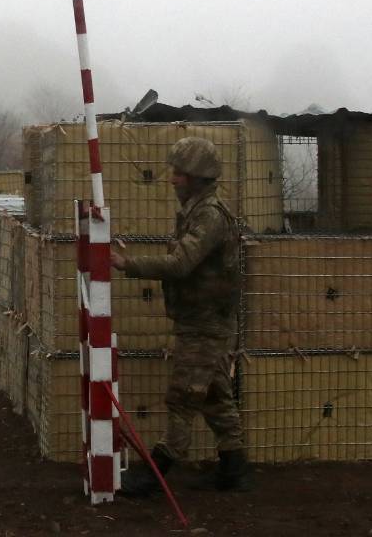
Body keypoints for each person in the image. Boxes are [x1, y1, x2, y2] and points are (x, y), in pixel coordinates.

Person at [110, 135, 249, 495]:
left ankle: (157, 472)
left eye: (180, 173)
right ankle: (234, 469)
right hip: (201, 320)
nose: (172, 178)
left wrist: (128, 264)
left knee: (183, 397)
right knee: (215, 395)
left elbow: (181, 263)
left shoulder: (209, 216)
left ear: (198, 177)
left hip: (207, 323)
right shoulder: (195, 210)